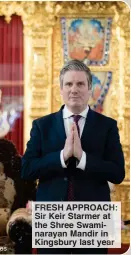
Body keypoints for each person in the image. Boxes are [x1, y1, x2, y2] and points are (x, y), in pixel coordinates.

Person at [21, 59, 125, 254]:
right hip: (52, 216)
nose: (74, 89)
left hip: (92, 218)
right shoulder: (42, 126)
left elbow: (117, 173)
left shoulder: (107, 126)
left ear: (90, 88)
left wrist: (82, 158)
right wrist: (62, 156)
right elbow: (27, 169)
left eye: (80, 84)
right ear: (60, 89)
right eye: (68, 84)